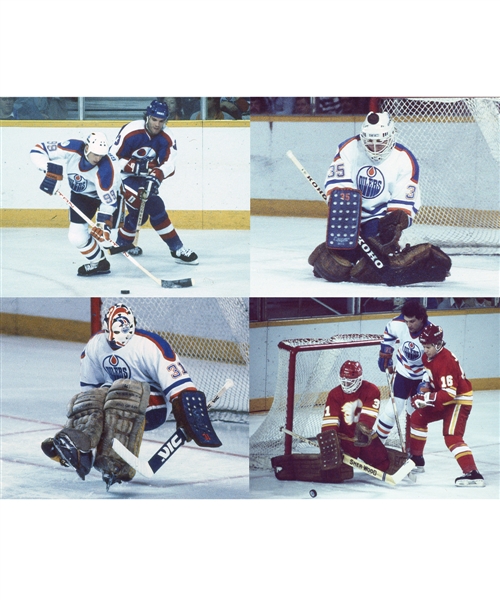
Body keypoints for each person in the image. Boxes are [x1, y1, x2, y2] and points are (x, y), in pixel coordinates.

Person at [41, 303, 220, 489]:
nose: (112, 340)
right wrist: (88, 418)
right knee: (90, 400)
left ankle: (116, 464)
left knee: (123, 395)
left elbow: (181, 386)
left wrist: (190, 417)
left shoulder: (150, 346)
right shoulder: (95, 344)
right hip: (116, 395)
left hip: (153, 403)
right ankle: (79, 448)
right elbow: (90, 389)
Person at [308, 111, 451, 285]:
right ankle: (342, 251)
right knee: (337, 267)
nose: (375, 148)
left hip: (379, 220)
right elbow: (339, 186)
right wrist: (347, 215)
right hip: (349, 215)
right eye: (370, 142)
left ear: (391, 136)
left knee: (371, 263)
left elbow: (403, 205)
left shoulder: (404, 159)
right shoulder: (349, 148)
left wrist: (392, 227)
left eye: (380, 143)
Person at [110, 99, 198, 263]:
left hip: (146, 179)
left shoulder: (167, 137)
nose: (157, 124)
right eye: (154, 119)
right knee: (155, 205)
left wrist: (156, 175)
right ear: (147, 117)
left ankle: (122, 242)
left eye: (161, 121)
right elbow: (111, 158)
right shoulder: (131, 131)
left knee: (139, 215)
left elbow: (169, 164)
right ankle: (177, 248)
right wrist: (133, 167)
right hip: (123, 177)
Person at [30, 132, 122, 276]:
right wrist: (49, 170)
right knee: (76, 237)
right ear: (86, 148)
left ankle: (118, 235)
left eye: (101, 155)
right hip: (81, 196)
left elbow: (108, 202)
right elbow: (38, 150)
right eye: (95, 154)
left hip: (107, 198)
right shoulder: (73, 147)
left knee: (107, 238)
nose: (98, 158)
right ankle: (99, 263)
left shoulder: (107, 170)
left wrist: (104, 225)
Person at [409, 324, 484, 486]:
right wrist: (425, 387)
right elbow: (429, 378)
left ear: (437, 344)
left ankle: (472, 473)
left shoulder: (446, 361)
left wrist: (426, 397)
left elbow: (450, 393)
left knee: (452, 436)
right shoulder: (427, 357)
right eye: (424, 346)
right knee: (417, 417)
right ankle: (416, 459)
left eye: (428, 346)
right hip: (444, 398)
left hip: (458, 401)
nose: (425, 350)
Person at [376, 299, 433, 446]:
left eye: (412, 321)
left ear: (421, 318)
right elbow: (389, 332)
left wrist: (426, 382)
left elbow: (433, 364)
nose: (408, 325)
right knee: (393, 410)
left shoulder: (431, 333)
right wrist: (386, 352)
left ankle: (414, 453)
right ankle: (376, 447)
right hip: (403, 373)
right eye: (406, 321)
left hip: (421, 377)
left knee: (416, 415)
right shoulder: (398, 323)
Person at [321, 360, 390, 473]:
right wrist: (330, 439)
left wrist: (364, 429)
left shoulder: (371, 390)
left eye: (350, 381)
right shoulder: (334, 394)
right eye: (344, 381)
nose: (346, 384)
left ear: (359, 379)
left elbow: (367, 417)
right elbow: (330, 421)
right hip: (344, 439)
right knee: (336, 471)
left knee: (383, 464)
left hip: (363, 437)